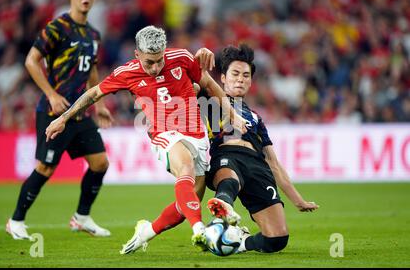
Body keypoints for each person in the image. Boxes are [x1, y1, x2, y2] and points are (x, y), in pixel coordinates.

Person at [45, 26, 248, 251]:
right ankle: (200, 230)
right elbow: (93, 93)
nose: (155, 67)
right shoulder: (126, 73)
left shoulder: (181, 58)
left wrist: (233, 115)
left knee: (186, 206)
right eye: (149, 62)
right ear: (137, 55)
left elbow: (209, 85)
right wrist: (62, 118)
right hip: (164, 134)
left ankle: (147, 231)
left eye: (159, 60)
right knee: (186, 168)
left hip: (196, 134)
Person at [6, 0, 114, 240]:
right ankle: (15, 220)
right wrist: (52, 94)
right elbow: (31, 60)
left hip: (79, 112)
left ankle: (82, 217)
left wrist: (98, 104)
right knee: (45, 168)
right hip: (54, 112)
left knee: (100, 163)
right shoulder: (57, 28)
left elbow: (91, 71)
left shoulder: (93, 34)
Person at [204, 44, 319, 253]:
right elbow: (189, 81)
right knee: (229, 180)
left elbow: (273, 163)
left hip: (258, 166)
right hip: (227, 156)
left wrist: (297, 199)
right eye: (235, 73)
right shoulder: (209, 100)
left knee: (277, 239)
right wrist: (199, 60)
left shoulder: (256, 118)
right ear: (222, 78)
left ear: (251, 81)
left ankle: (238, 241)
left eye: (246, 75)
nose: (241, 79)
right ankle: (222, 213)